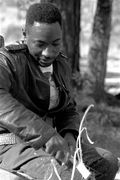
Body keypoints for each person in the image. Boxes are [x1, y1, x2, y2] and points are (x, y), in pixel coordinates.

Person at [0, 2, 118, 180]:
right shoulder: (8, 61)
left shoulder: (61, 64)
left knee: (107, 162)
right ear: (25, 33)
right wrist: (47, 135)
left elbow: (67, 108)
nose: (48, 52)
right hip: (12, 143)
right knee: (69, 176)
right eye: (40, 44)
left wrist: (68, 133)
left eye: (56, 43)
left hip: (50, 142)